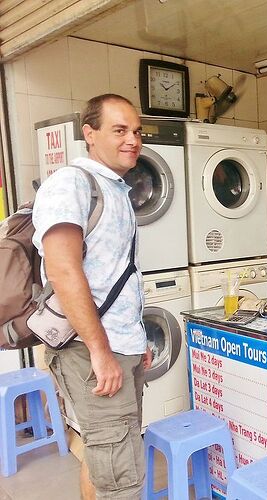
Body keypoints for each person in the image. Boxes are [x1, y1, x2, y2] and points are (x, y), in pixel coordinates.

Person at [32, 94, 150, 500]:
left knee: (112, 453)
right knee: (121, 478)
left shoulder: (116, 189)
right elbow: (64, 270)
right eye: (119, 130)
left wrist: (138, 340)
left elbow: (118, 273)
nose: (132, 140)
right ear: (90, 133)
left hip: (121, 344)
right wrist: (101, 352)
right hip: (92, 351)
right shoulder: (70, 183)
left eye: (136, 131)